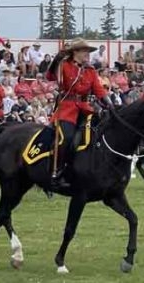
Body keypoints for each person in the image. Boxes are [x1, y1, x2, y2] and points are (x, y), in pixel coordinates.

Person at [46, 38, 112, 191]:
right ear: (75, 52)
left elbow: (99, 90)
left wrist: (110, 105)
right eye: (84, 51)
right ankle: (57, 172)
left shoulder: (90, 71)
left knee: (99, 133)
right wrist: (56, 60)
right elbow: (50, 77)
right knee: (67, 138)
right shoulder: (64, 65)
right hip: (66, 109)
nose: (87, 54)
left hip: (85, 108)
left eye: (88, 52)